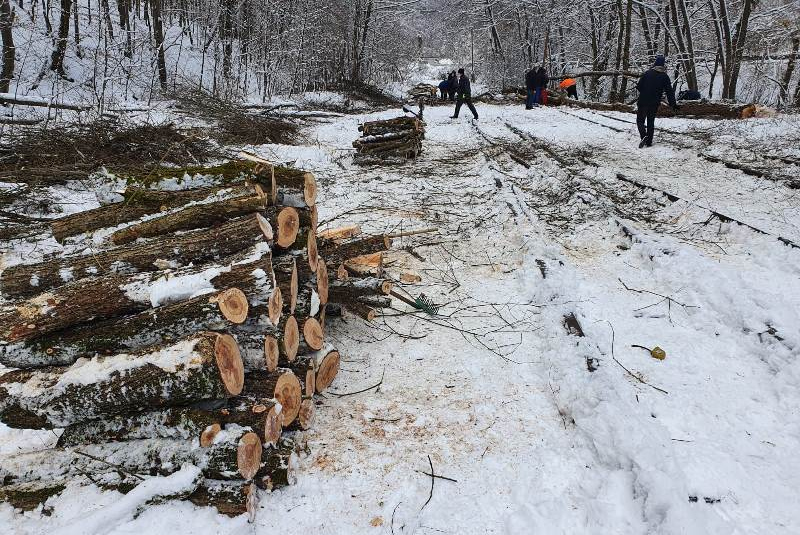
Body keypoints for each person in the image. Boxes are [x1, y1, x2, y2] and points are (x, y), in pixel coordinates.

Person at [636, 55, 679, 148]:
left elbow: (639, 87)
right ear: (663, 65)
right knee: (650, 121)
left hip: (643, 101)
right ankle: (649, 142)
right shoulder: (664, 77)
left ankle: (644, 136)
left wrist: (645, 91)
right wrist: (673, 104)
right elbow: (669, 91)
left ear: (655, 63)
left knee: (640, 121)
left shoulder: (647, 73)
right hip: (654, 103)